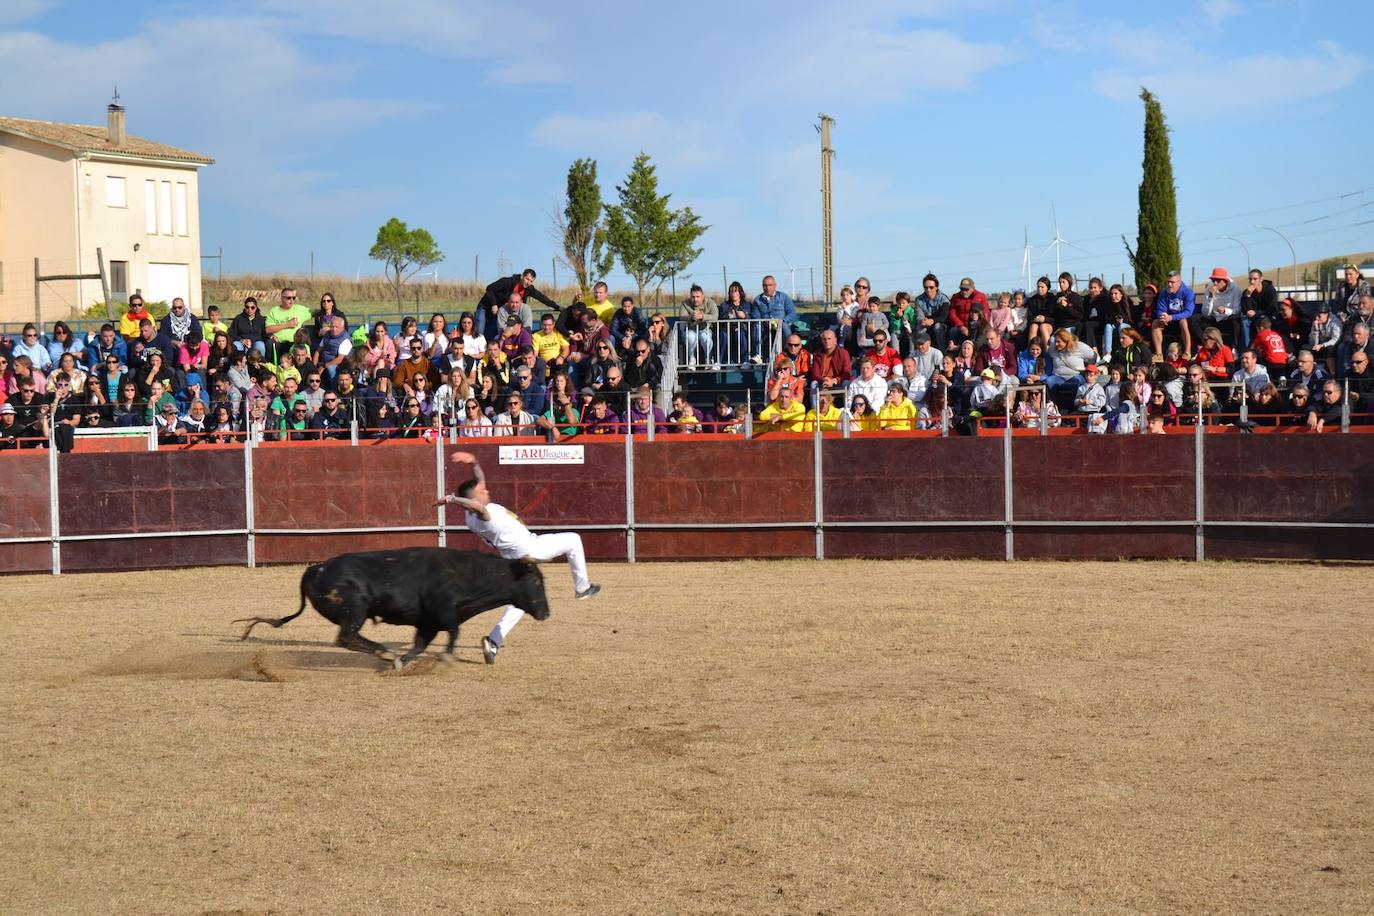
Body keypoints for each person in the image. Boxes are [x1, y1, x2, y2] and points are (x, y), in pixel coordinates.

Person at [437, 452, 601, 663]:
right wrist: (452, 498)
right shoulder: (484, 515)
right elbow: (476, 505)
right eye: (481, 491)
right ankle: (582, 587)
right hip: (530, 549)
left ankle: (493, 641)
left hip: (511, 558)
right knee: (573, 540)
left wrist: (474, 462)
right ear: (473, 499)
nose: (486, 489)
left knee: (520, 600)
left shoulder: (471, 516)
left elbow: (479, 484)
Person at [478, 268, 559, 341]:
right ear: (522, 276)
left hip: (499, 312)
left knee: (493, 333)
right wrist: (493, 304)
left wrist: (557, 307)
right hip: (486, 306)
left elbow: (542, 298)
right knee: (480, 332)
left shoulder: (529, 288)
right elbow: (489, 288)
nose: (528, 283)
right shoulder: (507, 282)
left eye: (531, 281)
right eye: (527, 279)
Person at [1151, 270, 1198, 357]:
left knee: (1183, 322)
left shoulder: (1188, 292)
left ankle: (1187, 352)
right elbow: (1160, 309)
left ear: (1179, 283)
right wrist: (1162, 316)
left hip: (1183, 320)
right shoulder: (1164, 293)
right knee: (1155, 323)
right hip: (1168, 320)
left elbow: (1188, 312)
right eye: (1168, 282)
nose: (1169, 284)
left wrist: (1171, 317)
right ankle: (1159, 354)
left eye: (1172, 282)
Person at [264, 288, 312, 362]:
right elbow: (268, 329)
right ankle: (272, 369)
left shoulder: (300, 309)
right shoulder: (274, 311)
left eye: (293, 298)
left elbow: (317, 312)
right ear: (282, 298)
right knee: (271, 343)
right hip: (278, 342)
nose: (291, 300)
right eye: (288, 298)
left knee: (302, 347)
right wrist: (287, 324)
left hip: (295, 342)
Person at [678, 284, 717, 368]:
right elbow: (682, 317)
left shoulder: (710, 302)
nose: (695, 299)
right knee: (690, 336)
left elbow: (715, 316)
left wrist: (703, 316)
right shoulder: (685, 304)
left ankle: (708, 359)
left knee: (705, 337)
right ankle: (692, 359)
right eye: (693, 297)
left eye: (698, 296)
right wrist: (691, 317)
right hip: (690, 329)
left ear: (702, 296)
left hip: (705, 329)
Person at [913, 273, 950, 352]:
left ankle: (942, 353)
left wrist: (932, 321)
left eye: (931, 287)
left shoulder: (944, 299)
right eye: (926, 287)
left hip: (941, 323)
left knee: (938, 327)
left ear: (936, 287)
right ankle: (920, 352)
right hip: (925, 323)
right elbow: (919, 316)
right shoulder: (918, 300)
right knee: (920, 328)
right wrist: (923, 321)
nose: (928, 290)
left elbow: (944, 317)